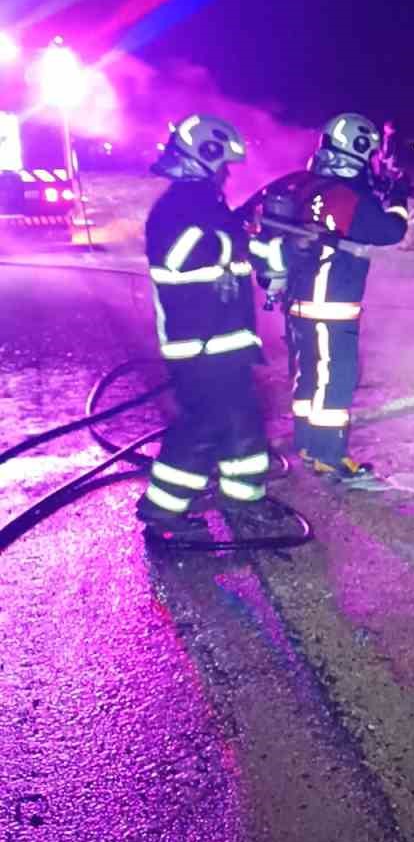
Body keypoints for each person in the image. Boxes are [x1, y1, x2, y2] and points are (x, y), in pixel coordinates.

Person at [135, 114, 272, 535]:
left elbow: (227, 253)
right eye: (223, 163)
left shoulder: (205, 204)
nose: (227, 173)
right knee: (204, 423)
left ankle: (244, 498)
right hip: (197, 344)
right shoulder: (177, 206)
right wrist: (234, 235)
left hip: (224, 341)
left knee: (243, 418)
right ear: (205, 155)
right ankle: (162, 512)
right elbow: (180, 256)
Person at [258, 113, 408, 489]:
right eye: (370, 152)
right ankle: (329, 457)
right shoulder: (345, 195)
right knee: (335, 381)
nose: (373, 160)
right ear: (358, 150)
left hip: (299, 304)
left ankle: (308, 445)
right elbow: (390, 230)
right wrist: (399, 198)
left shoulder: (308, 186)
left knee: (310, 376)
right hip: (329, 308)